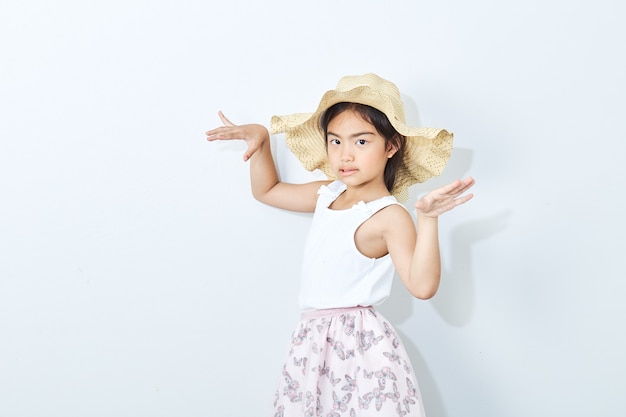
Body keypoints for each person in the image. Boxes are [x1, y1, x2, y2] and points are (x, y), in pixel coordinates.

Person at [206, 73, 474, 417]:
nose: (345, 155)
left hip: (359, 347)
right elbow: (267, 190)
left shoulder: (389, 215)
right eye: (336, 141)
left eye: (361, 142)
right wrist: (260, 141)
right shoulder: (327, 193)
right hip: (312, 343)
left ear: (391, 146)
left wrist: (429, 219)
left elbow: (422, 286)